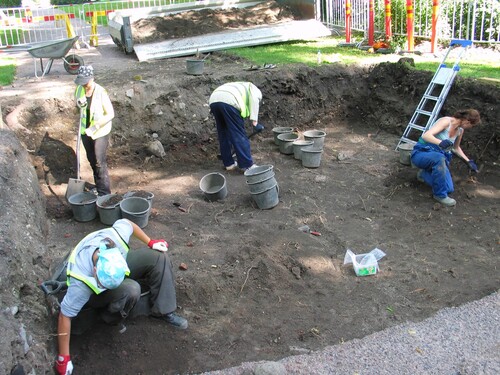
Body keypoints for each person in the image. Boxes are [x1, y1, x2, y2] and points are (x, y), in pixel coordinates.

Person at [55, 218, 188, 375]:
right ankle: (110, 319)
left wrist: (150, 242)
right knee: (132, 289)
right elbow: (65, 316)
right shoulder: (81, 281)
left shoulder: (116, 237)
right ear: (96, 272)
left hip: (113, 268)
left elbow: (128, 223)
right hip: (93, 291)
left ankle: (164, 310)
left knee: (159, 256)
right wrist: (64, 358)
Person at [410, 109, 481, 207]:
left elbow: (456, 148)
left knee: (448, 188)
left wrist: (468, 161)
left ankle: (423, 174)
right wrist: (440, 142)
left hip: (438, 158)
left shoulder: (460, 131)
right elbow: (426, 136)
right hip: (422, 152)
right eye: (471, 125)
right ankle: (440, 195)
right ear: (467, 121)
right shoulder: (446, 121)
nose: (471, 128)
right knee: (439, 158)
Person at [74, 65, 114, 196]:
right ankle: (98, 186)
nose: (84, 85)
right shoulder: (79, 89)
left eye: (86, 82)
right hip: (85, 131)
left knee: (99, 161)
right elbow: (79, 109)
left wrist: (95, 127)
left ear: (92, 78)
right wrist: (79, 104)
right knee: (91, 159)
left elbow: (110, 114)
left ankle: (105, 194)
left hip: (100, 132)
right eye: (81, 82)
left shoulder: (101, 92)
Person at [209, 82, 265, 171]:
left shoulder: (241, 86)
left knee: (223, 133)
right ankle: (247, 165)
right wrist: (255, 122)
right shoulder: (255, 90)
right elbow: (254, 100)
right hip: (229, 101)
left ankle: (229, 164)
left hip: (214, 100)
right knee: (238, 134)